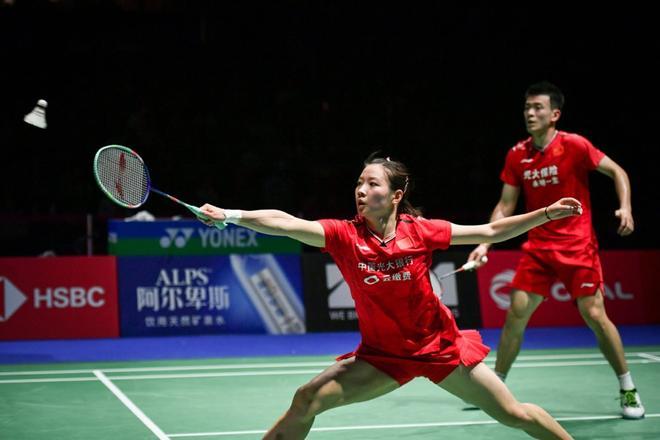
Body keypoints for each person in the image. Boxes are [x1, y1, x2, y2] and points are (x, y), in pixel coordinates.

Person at [197, 153, 579, 439]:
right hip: (382, 357)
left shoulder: (423, 231)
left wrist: (546, 213)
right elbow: (285, 223)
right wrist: (231, 214)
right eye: (359, 183)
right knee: (306, 399)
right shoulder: (344, 236)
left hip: (439, 349)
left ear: (397, 195)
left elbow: (491, 231)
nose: (361, 191)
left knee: (514, 414)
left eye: (372, 184)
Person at [467, 81, 644, 419]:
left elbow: (617, 171)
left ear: (555, 114)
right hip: (538, 247)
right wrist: (484, 243)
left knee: (594, 315)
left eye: (537, 108)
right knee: (515, 315)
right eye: (526, 108)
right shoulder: (518, 154)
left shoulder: (574, 145)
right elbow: (505, 206)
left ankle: (628, 388)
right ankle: (497, 386)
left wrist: (626, 207)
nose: (530, 113)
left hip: (577, 244)